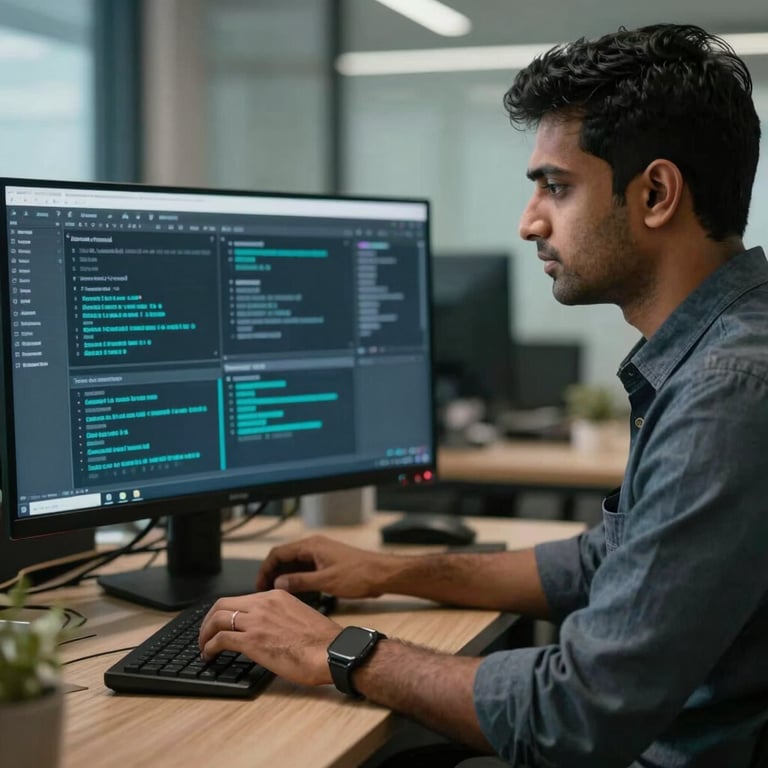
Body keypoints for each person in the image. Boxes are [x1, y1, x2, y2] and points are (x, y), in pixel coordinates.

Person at [199, 23, 768, 767]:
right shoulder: (721, 352)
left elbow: (579, 712)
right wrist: (392, 571)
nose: (529, 221)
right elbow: (608, 559)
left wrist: (336, 647)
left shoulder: (727, 392)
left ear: (656, 193)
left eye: (556, 187)